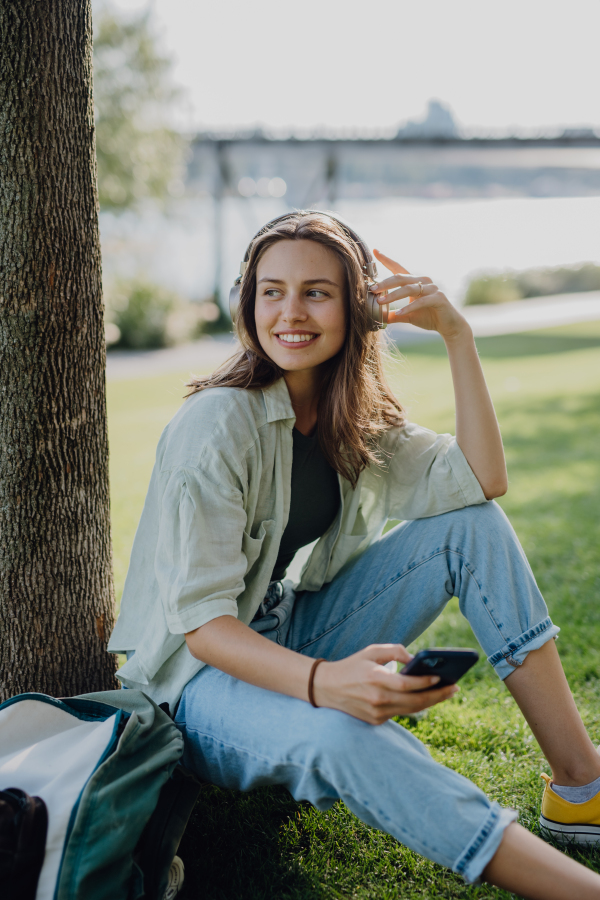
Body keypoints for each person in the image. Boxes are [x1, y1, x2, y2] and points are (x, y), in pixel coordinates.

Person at [109, 212, 600, 898]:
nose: (290, 311)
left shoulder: (351, 414)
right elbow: (204, 628)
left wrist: (458, 334)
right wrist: (325, 684)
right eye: (271, 290)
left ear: (359, 307)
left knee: (473, 526)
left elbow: (481, 482)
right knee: (344, 736)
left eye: (317, 292)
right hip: (198, 686)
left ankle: (582, 786)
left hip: (285, 629)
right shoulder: (217, 423)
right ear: (247, 302)